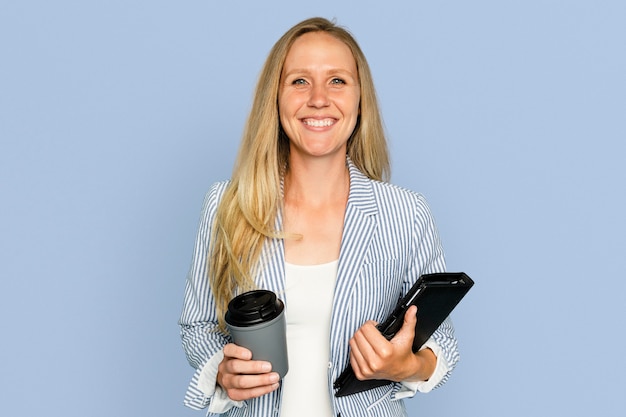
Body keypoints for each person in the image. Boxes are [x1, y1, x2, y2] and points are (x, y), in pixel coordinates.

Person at [179, 17, 459, 417]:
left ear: (361, 100)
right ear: (274, 98)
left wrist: (408, 365)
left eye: (337, 81)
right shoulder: (226, 205)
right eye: (299, 81)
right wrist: (222, 371)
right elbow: (198, 327)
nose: (318, 99)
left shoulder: (406, 213)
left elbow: (443, 341)